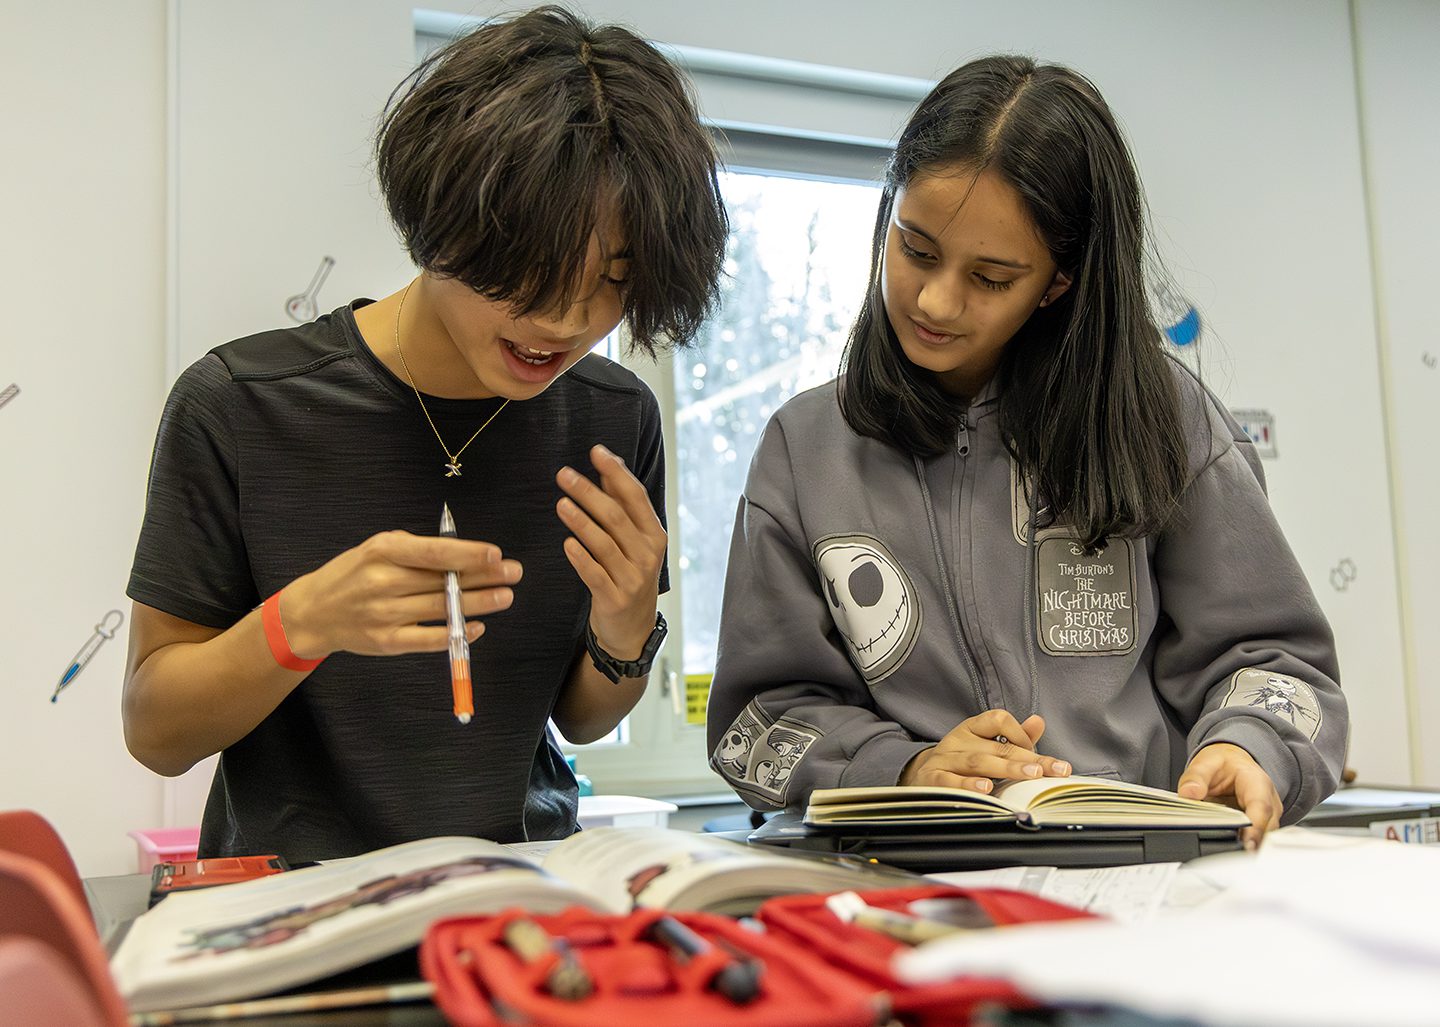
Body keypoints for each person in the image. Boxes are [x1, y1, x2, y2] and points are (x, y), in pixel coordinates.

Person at [122, 6, 727, 863]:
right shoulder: (238, 405)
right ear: (441, 219)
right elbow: (156, 730)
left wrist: (627, 626)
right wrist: (305, 621)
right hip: (295, 912)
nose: (562, 319)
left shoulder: (615, 418)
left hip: (521, 893)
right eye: (531, 269)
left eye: (613, 282)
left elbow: (580, 719)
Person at [705, 55, 1345, 849]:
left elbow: (1281, 662)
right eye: (916, 249)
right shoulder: (804, 451)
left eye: (992, 276)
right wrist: (902, 768)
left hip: (1149, 877)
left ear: (1057, 282)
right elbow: (755, 723)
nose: (937, 300)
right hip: (902, 884)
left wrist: (1244, 745)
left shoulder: (1163, 420)